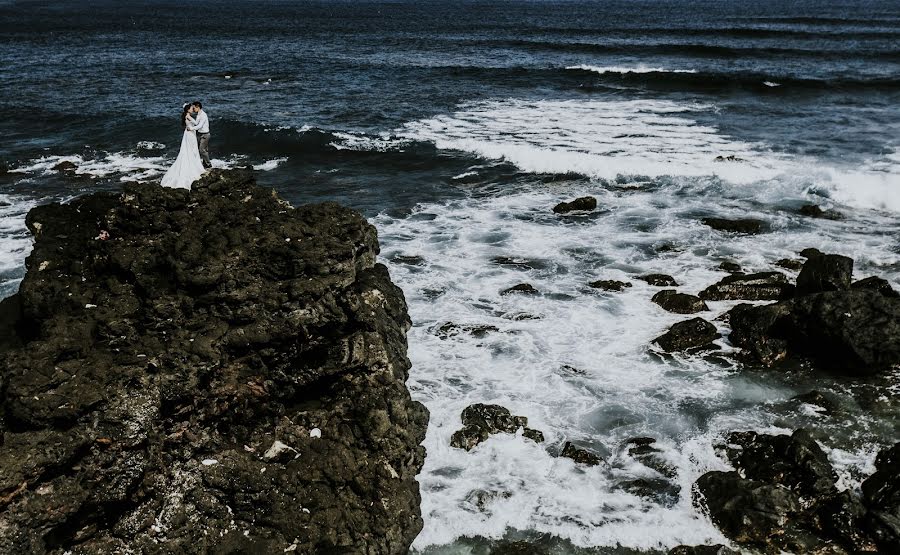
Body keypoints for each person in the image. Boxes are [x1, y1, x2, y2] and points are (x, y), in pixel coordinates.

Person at [160, 103, 206, 189]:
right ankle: (194, 164)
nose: (193, 110)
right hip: (190, 134)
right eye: (191, 108)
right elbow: (196, 123)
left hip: (189, 133)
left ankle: (194, 162)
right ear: (188, 110)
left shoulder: (186, 115)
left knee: (190, 150)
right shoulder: (188, 116)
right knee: (192, 149)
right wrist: (199, 117)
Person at [187, 101, 211, 169]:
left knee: (202, 150)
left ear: (198, 107)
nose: (193, 109)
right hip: (200, 134)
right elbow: (196, 123)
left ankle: (208, 164)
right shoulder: (198, 114)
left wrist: (191, 128)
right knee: (204, 150)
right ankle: (205, 164)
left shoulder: (203, 115)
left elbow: (199, 126)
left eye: (194, 108)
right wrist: (190, 118)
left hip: (205, 135)